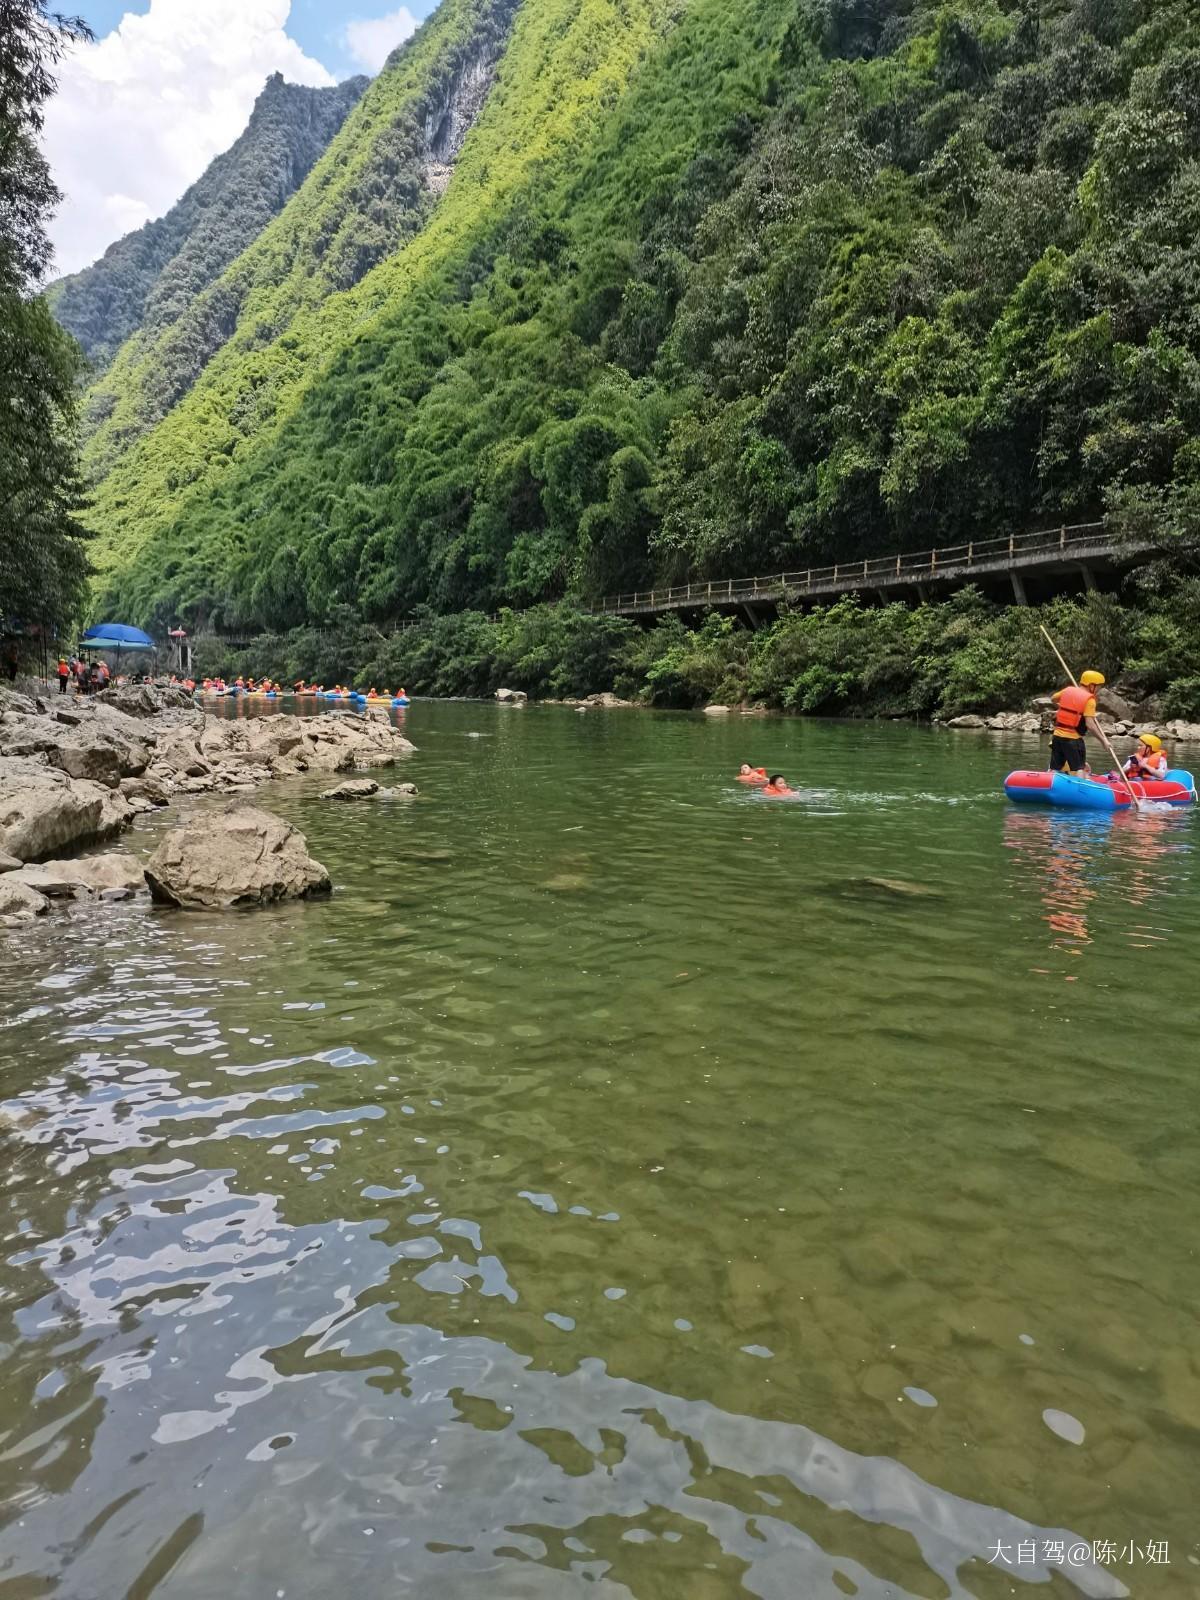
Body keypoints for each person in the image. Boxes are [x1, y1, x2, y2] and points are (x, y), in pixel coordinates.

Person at [1049, 669, 1104, 773]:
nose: (1098, 690)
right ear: (1091, 685)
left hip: (1057, 737)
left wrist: (1065, 707)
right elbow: (1090, 725)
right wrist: (1103, 741)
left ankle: (1048, 785)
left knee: (1055, 768)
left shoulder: (1067, 690)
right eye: (1098, 687)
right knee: (1079, 769)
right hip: (1073, 739)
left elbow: (1053, 699)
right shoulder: (1090, 700)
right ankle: (1080, 788)